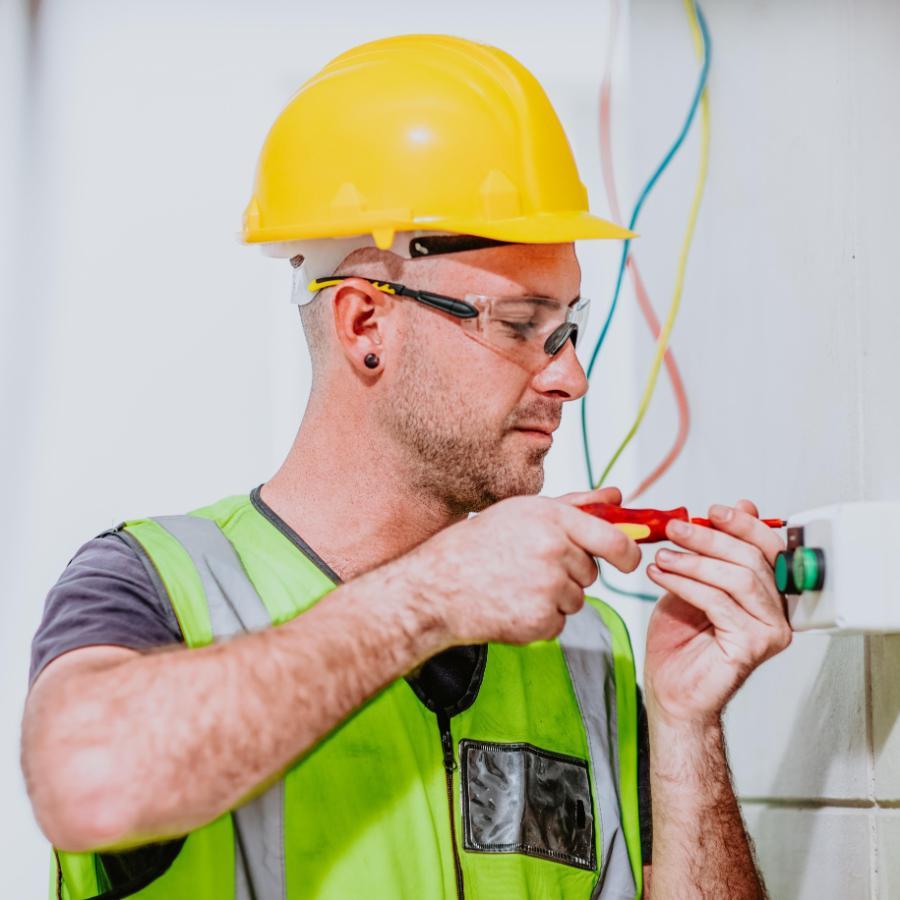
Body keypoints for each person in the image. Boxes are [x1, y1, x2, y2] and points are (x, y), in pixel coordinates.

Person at [21, 34, 791, 899]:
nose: (571, 375)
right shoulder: (161, 585)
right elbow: (85, 785)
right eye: (521, 325)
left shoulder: (587, 647)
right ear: (365, 326)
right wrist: (431, 598)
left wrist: (686, 726)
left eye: (568, 328)